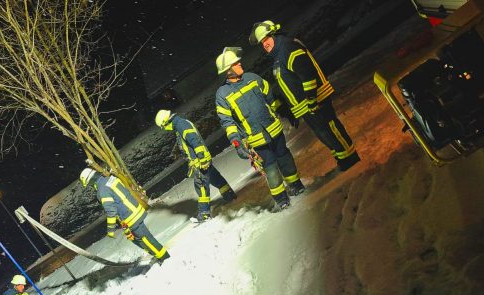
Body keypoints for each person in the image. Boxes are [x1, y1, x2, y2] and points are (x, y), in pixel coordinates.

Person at [250, 21, 361, 171]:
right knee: (324, 134)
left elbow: (307, 74)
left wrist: (311, 99)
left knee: (331, 129)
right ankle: (341, 157)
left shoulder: (287, 48)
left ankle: (351, 158)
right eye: (262, 43)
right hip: (305, 107)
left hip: (316, 100)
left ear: (274, 35)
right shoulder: (278, 55)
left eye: (266, 39)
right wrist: (289, 109)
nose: (264, 44)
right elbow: (288, 84)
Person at [214, 47, 305, 210]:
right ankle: (281, 198)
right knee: (270, 167)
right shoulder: (222, 94)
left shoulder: (253, 78)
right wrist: (236, 141)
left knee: (285, 157)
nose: (240, 63)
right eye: (235, 63)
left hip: (274, 129)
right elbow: (227, 121)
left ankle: (296, 185)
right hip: (256, 138)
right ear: (228, 71)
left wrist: (283, 109)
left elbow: (270, 97)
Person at [154, 109, 237, 221]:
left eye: (163, 127)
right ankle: (230, 196)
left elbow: (195, 141)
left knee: (201, 186)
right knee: (215, 178)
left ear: (165, 122)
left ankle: (204, 214)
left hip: (199, 161)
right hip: (201, 159)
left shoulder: (181, 125)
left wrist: (202, 158)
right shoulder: (180, 124)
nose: (164, 129)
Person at [80, 167, 171, 264]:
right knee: (138, 239)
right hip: (135, 210)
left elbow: (111, 211)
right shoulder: (110, 179)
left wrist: (110, 230)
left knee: (144, 240)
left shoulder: (102, 191)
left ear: (90, 181)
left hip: (130, 217)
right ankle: (157, 253)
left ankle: (163, 257)